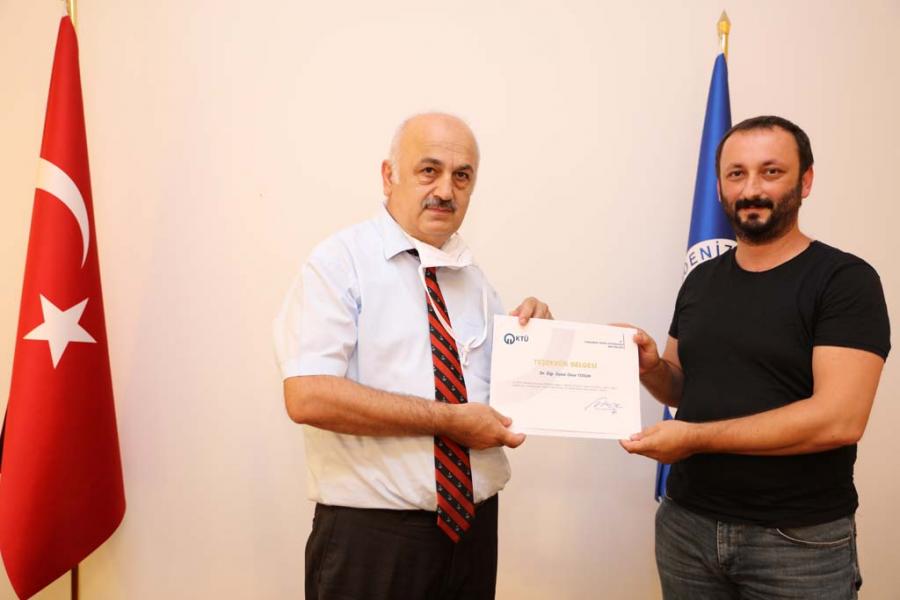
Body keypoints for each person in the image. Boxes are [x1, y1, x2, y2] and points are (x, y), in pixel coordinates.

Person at [274, 112, 551, 600]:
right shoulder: (340, 264)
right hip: (373, 541)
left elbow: (495, 399)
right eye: (429, 170)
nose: (445, 190)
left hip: (473, 534)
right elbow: (308, 396)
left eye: (461, 176)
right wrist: (449, 421)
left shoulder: (473, 280)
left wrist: (537, 344)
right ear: (389, 176)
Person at [621, 115, 890, 599]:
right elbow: (683, 388)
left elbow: (840, 420)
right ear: (720, 186)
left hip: (797, 541)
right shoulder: (701, 279)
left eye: (771, 171)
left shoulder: (845, 281)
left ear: (805, 181)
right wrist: (651, 368)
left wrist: (694, 439)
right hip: (686, 528)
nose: (751, 189)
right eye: (736, 173)